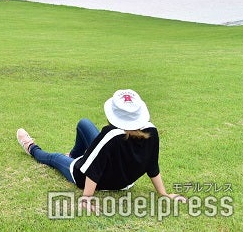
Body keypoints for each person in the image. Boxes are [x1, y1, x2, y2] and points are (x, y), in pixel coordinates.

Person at [16, 89, 186, 212]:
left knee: (54, 158)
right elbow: (152, 165)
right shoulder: (151, 132)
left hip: (87, 176)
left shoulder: (110, 135)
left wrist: (86, 198)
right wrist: (163, 193)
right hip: (124, 181)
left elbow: (93, 170)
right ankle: (74, 154)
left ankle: (31, 147)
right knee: (84, 123)